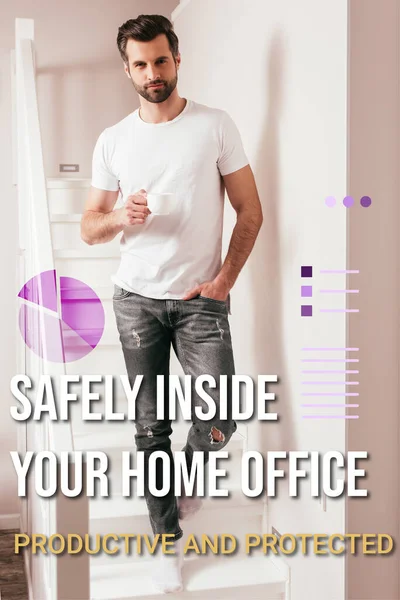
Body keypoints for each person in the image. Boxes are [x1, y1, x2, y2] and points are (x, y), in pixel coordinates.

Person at [81, 13, 263, 594]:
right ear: (127, 69)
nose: (152, 73)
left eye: (161, 60)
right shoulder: (113, 139)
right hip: (136, 301)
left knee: (219, 417)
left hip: (200, 299)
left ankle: (188, 478)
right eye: (140, 64)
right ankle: (167, 544)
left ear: (177, 59)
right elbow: (89, 228)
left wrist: (225, 280)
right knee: (148, 428)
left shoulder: (214, 125)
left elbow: (250, 210)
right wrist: (119, 217)